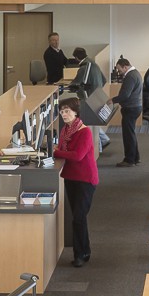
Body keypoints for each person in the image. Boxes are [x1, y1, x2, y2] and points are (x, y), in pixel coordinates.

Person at [53, 97, 98, 267]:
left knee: (78, 217)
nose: (64, 114)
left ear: (75, 112)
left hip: (85, 179)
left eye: (67, 111)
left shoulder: (83, 131)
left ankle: (81, 254)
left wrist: (55, 153)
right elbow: (64, 149)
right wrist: (57, 150)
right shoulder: (66, 130)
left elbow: (77, 155)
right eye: (62, 111)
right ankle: (84, 251)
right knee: (78, 217)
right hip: (71, 177)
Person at [112, 58, 142, 167]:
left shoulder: (130, 76)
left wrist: (113, 100)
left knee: (128, 135)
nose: (119, 73)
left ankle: (129, 160)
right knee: (131, 134)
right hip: (135, 107)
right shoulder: (135, 73)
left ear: (125, 66)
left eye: (120, 70)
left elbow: (125, 95)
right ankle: (135, 157)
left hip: (131, 108)